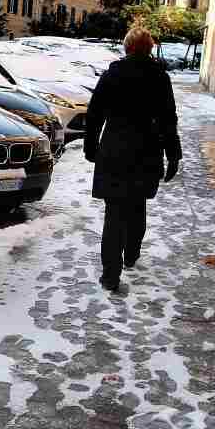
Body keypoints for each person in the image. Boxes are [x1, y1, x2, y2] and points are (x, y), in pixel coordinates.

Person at [83, 27, 182, 291]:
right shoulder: (159, 77)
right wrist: (173, 155)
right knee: (137, 205)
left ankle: (110, 275)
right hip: (146, 151)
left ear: (126, 48)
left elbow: (94, 116)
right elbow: (168, 120)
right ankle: (131, 254)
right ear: (149, 49)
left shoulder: (112, 75)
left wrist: (90, 148)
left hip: (114, 151)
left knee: (114, 213)